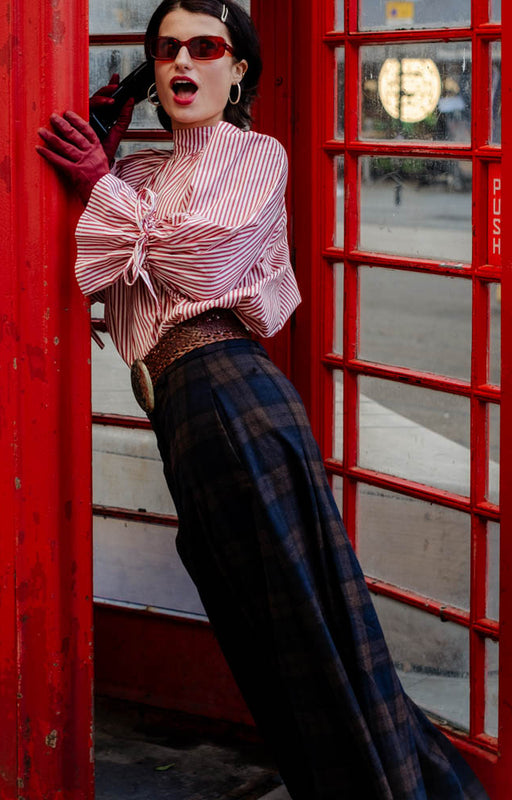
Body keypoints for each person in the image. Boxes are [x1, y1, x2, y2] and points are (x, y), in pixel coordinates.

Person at [37, 1, 490, 797]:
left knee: (313, 640)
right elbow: (95, 285)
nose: (183, 63)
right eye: (166, 49)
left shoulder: (254, 156)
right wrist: (102, 162)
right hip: (185, 417)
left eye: (204, 47)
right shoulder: (137, 175)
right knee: (267, 650)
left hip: (233, 398)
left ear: (238, 67)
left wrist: (100, 187)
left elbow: (204, 267)